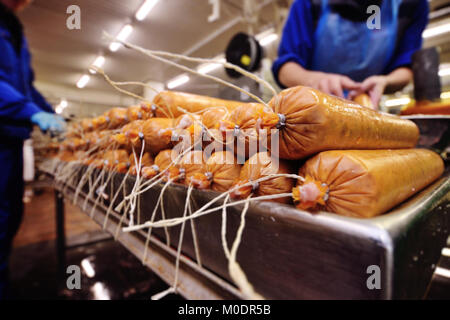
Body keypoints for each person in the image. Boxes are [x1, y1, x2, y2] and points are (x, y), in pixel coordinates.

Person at [0, 0, 65, 299]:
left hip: (11, 139)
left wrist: (46, 110)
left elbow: (26, 86)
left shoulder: (15, 28)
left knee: (9, 216)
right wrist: (29, 111)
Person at [272, 0, 429, 107]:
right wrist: (315, 80)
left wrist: (386, 81)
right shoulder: (309, 2)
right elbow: (286, 67)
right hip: (310, 110)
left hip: (369, 108)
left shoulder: (412, 5)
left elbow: (406, 64)